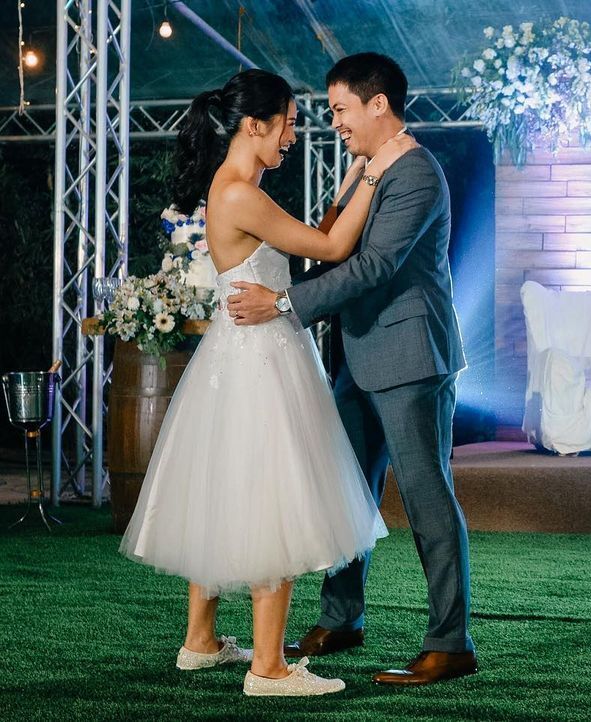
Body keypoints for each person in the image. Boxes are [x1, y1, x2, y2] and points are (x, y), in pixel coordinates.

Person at [119, 68, 416, 697]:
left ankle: (201, 641)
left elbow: (306, 244)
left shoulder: (236, 188)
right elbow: (334, 249)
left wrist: (347, 188)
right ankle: (269, 667)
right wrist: (374, 170)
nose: (293, 136)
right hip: (262, 361)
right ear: (255, 125)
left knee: (227, 490)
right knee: (271, 496)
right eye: (287, 124)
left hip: (240, 358)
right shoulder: (239, 193)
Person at [227, 53, 477, 686]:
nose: (332, 121)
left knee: (426, 498)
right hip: (359, 357)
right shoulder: (366, 168)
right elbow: (331, 240)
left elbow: (372, 268)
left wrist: (282, 305)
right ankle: (342, 618)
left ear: (378, 105)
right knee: (346, 490)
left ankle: (451, 643)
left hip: (412, 358)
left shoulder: (416, 171)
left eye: (339, 109)